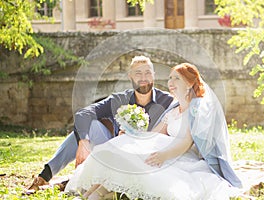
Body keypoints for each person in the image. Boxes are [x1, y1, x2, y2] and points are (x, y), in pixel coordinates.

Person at [64, 63, 243, 199]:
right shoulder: (173, 110)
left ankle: (98, 193)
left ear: (189, 84)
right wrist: (133, 135)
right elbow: (155, 134)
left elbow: (185, 142)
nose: (170, 83)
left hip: (180, 156)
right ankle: (91, 192)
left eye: (176, 79)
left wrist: (163, 156)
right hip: (164, 149)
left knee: (132, 160)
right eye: (170, 78)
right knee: (122, 146)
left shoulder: (196, 109)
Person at [27, 55, 175, 193]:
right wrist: (83, 142)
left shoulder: (167, 101)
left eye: (148, 73)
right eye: (138, 73)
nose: (143, 78)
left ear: (154, 75)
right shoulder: (119, 99)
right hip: (113, 147)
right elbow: (83, 114)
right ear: (130, 76)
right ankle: (44, 176)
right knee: (90, 126)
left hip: (144, 156)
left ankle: (67, 181)